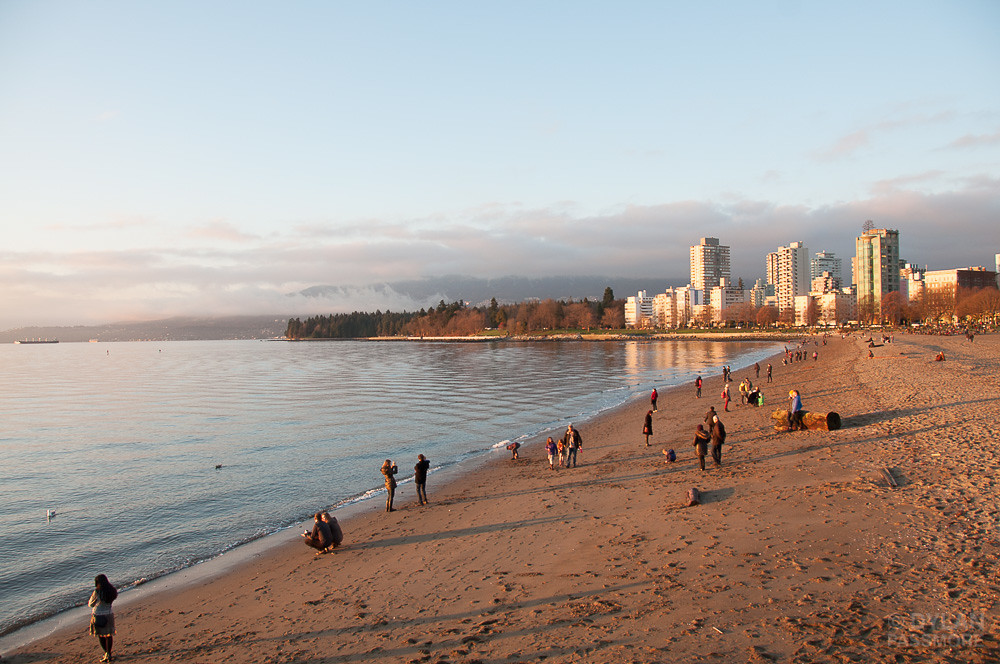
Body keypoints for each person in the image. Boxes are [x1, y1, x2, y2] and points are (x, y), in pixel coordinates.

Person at [88, 574, 118, 662]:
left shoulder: (97, 591)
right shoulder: (112, 590)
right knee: (109, 635)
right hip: (109, 614)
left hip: (98, 615)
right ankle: (109, 653)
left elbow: (91, 604)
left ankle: (106, 653)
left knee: (101, 635)